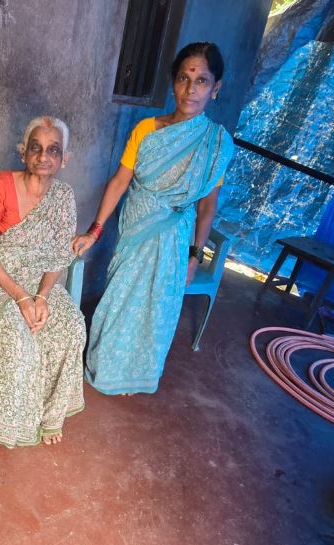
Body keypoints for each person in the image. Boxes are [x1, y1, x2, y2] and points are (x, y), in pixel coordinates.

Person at [73, 42, 236, 395]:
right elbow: (120, 181)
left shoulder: (215, 143)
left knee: (155, 309)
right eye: (183, 78)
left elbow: (207, 205)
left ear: (216, 87)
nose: (191, 89)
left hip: (176, 237)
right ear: (173, 82)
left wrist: (196, 254)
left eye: (202, 80)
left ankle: (136, 374)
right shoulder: (147, 130)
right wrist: (96, 229)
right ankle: (105, 368)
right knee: (120, 298)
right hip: (137, 228)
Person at [0, 116, 85, 447]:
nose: (43, 156)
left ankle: (50, 415)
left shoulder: (63, 196)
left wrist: (43, 296)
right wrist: (21, 297)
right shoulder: (1, 184)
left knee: (71, 325)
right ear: (23, 153)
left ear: (64, 159)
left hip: (37, 276)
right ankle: (12, 420)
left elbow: (59, 255)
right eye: (36, 147)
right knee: (15, 329)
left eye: (53, 150)